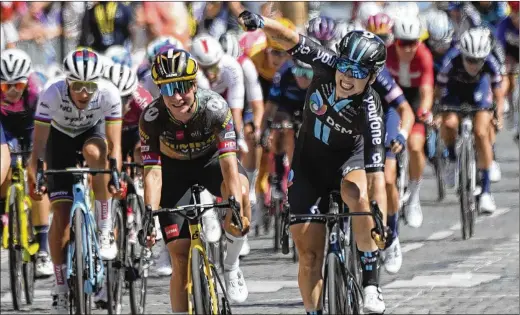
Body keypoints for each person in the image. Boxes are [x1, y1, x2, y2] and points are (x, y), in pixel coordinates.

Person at [239, 10, 389, 314]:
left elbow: (376, 177)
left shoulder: (371, 108)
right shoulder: (325, 64)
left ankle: (371, 284)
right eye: (345, 67)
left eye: (358, 73)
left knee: (357, 193)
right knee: (308, 257)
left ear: (372, 77)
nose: (347, 77)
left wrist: (381, 221)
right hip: (308, 166)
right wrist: (261, 23)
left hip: (351, 162)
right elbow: (291, 39)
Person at [140, 48, 252, 309]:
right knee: (179, 258)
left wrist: (233, 201)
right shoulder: (151, 118)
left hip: (211, 162)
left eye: (182, 87)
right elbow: (153, 173)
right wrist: (149, 213)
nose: (177, 97)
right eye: (168, 89)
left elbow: (228, 164)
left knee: (242, 194)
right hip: (173, 171)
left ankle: (232, 264)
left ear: (194, 84)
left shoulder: (214, 108)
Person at [27, 47, 124, 313]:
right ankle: (59, 287)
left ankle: (104, 231)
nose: (84, 93)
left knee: (97, 154)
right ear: (67, 82)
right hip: (58, 141)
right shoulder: (51, 93)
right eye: (78, 86)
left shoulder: (108, 94)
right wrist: (37, 173)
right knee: (60, 214)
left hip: (90, 134)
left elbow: (115, 146)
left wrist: (115, 173)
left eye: (90, 86)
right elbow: (39, 147)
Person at [436, 27, 505, 214]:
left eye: (479, 61)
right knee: (449, 123)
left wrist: (498, 114)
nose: (474, 65)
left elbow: (498, 93)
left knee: (482, 132)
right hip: (455, 91)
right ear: (463, 54)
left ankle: (486, 191)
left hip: (479, 91)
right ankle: (451, 158)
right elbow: (439, 89)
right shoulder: (451, 60)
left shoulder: (490, 62)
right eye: (470, 60)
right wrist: (437, 113)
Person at [0, 48, 53, 277]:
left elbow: (44, 128)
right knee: (3, 166)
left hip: (32, 125)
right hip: (4, 126)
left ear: (26, 83)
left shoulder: (37, 90)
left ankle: (42, 248)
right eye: (5, 86)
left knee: (36, 176)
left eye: (18, 86)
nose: (12, 91)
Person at [386, 17, 435, 228]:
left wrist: (424, 110)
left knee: (415, 146)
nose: (408, 49)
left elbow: (426, 90)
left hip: (414, 100)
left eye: (413, 43)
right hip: (392, 102)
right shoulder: (386, 54)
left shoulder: (424, 55)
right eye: (403, 43)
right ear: (395, 41)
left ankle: (414, 195)